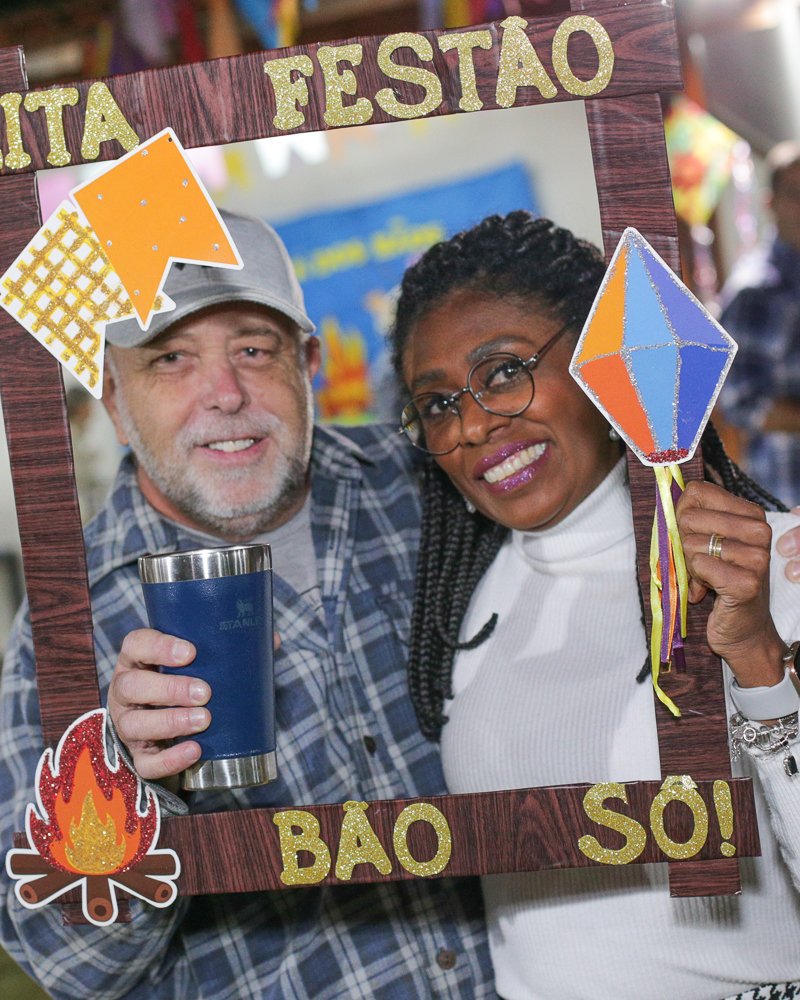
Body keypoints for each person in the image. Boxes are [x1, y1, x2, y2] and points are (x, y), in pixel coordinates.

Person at [0, 212, 493, 999]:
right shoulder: (67, 623)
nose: (224, 395)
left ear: (307, 363)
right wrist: (128, 789)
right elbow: (70, 965)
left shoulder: (434, 488)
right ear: (116, 404)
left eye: (254, 350)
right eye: (171, 359)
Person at [389, 211, 800, 1000]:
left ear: (598, 362)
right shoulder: (457, 613)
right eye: (438, 404)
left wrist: (754, 657)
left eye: (503, 370)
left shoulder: (772, 562)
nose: (472, 423)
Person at [718, 140, 800, 506]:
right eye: (795, 194)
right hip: (790, 492)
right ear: (771, 204)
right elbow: (739, 400)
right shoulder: (757, 290)